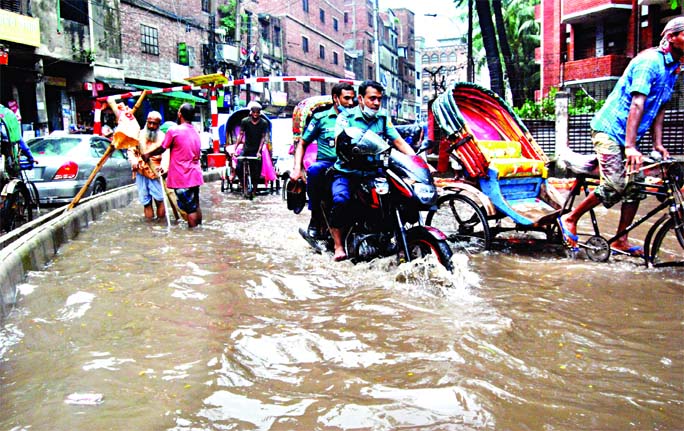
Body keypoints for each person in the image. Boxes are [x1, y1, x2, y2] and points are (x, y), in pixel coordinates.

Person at [559, 17, 683, 256]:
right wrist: (630, 146)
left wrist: (658, 144)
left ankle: (620, 241)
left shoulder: (674, 69)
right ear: (671, 37)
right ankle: (571, 218)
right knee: (615, 183)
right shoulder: (649, 62)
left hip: (630, 136)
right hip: (610, 130)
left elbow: (660, 107)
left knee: (636, 187)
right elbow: (637, 104)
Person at [329, 80, 416, 261]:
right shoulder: (345, 118)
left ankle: (396, 239)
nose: (376, 103)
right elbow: (340, 141)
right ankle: (338, 245)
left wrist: (417, 162)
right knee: (340, 200)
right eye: (372, 99)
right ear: (360, 99)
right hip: (348, 171)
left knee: (401, 198)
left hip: (375, 172)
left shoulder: (383, 118)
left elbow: (398, 142)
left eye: (379, 99)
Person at [291, 83, 356, 238]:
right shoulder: (321, 118)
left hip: (352, 164)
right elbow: (302, 143)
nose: (351, 103)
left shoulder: (357, 118)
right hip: (328, 164)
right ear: (336, 98)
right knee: (314, 170)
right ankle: (315, 217)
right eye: (346, 98)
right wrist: (297, 168)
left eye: (353, 99)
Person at [143, 103, 204, 228]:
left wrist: (148, 154)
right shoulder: (196, 131)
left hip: (182, 177)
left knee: (190, 210)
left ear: (180, 114)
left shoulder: (174, 131)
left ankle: (193, 236)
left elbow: (162, 148)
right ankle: (199, 230)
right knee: (195, 205)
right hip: (195, 175)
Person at [128, 111, 169, 221]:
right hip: (141, 172)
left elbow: (166, 154)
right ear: (146, 122)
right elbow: (131, 150)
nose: (151, 126)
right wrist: (134, 161)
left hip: (156, 172)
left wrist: (164, 168)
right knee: (146, 202)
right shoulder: (139, 134)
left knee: (160, 200)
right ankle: (150, 226)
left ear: (159, 124)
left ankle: (160, 224)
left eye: (154, 124)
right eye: (149, 123)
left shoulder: (163, 138)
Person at [236, 101, 269, 197]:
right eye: (254, 112)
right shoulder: (245, 121)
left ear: (260, 113)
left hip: (256, 150)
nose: (255, 114)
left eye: (257, 112)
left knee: (256, 171)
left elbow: (263, 137)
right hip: (246, 149)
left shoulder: (263, 123)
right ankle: (243, 185)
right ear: (251, 112)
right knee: (239, 167)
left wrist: (259, 151)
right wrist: (235, 149)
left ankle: (254, 190)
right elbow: (241, 135)